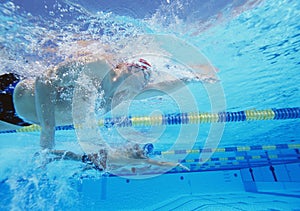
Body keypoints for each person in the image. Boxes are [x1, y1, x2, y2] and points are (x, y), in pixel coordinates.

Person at [49, 143, 190, 173]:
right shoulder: (134, 153)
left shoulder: (140, 159)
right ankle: (52, 158)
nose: (138, 148)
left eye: (141, 149)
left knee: (75, 157)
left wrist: (177, 165)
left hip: (101, 162)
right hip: (103, 165)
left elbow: (161, 163)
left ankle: (51, 153)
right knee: (79, 162)